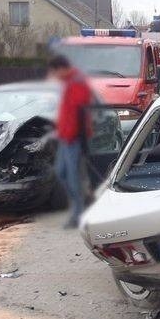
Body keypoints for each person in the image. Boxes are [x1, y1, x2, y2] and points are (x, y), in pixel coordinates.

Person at [49, 55, 92, 229]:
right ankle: (79, 207)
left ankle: (78, 214)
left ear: (62, 68)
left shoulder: (77, 82)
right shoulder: (69, 82)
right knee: (61, 172)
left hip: (73, 138)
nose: (54, 75)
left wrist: (75, 137)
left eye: (55, 71)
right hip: (65, 137)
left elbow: (78, 114)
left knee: (73, 176)